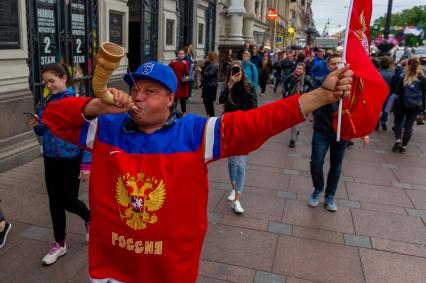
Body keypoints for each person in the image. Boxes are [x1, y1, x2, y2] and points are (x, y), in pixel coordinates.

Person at [42, 60, 353, 282]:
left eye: (151, 91)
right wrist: (96, 106)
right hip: (111, 269)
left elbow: (256, 124)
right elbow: (53, 116)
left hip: (170, 273)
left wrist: (321, 96)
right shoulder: (107, 128)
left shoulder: (196, 133)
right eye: (136, 89)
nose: (137, 97)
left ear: (170, 98)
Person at [29, 63, 91, 265]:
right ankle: (59, 243)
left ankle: (89, 217)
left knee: (69, 200)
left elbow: (88, 134)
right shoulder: (46, 102)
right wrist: (37, 125)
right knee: (54, 202)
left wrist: (86, 163)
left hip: (71, 158)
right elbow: (42, 131)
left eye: (52, 81)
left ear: (64, 78)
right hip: (50, 157)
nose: (49, 85)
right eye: (46, 82)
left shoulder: (77, 102)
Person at [307, 54, 363, 212]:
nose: (337, 66)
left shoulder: (351, 84)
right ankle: (318, 188)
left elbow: (357, 105)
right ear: (328, 65)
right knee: (316, 163)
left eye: (340, 63)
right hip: (322, 129)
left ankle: (330, 195)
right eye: (333, 64)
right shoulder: (320, 81)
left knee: (336, 166)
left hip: (342, 131)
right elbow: (310, 98)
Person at [221, 61, 258, 213]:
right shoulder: (227, 86)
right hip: (229, 128)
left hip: (243, 129)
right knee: (231, 162)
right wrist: (229, 85)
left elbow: (254, 109)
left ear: (243, 72)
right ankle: (234, 187)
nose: (236, 73)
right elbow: (221, 101)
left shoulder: (249, 87)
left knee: (241, 164)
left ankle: (237, 200)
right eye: (233, 71)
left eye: (238, 71)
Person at [392, 57, 426, 154]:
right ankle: (404, 146)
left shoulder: (402, 76)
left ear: (408, 65)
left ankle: (398, 140)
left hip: (401, 105)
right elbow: (424, 96)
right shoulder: (422, 79)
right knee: (409, 126)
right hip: (415, 106)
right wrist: (423, 110)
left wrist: (391, 106)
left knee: (398, 122)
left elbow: (396, 93)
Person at [282, 62, 313, 147]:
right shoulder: (291, 76)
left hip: (301, 101)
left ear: (303, 70)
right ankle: (296, 131)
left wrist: (305, 93)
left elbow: (311, 87)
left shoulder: (306, 78)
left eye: (300, 69)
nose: (298, 70)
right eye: (297, 68)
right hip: (291, 100)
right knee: (292, 120)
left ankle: (292, 139)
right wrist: (287, 91)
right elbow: (284, 83)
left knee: (296, 120)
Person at [377, 56, 396, 130]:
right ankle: (383, 120)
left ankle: (376, 122)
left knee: (378, 108)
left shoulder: (377, 72)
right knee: (386, 108)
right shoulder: (393, 73)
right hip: (389, 94)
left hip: (378, 93)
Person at [198, 52, 219, 117]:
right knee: (205, 101)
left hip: (211, 86)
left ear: (211, 57)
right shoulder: (210, 64)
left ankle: (211, 116)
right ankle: (209, 114)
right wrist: (202, 65)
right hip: (207, 85)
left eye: (208, 56)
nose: (207, 57)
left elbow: (209, 75)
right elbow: (205, 69)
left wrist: (200, 71)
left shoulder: (214, 65)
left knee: (209, 102)